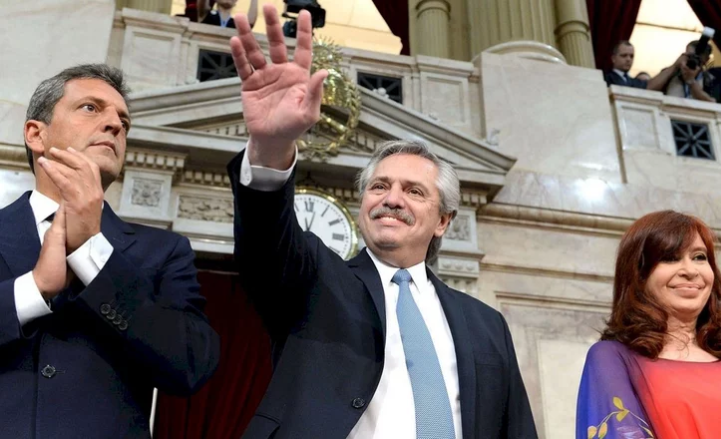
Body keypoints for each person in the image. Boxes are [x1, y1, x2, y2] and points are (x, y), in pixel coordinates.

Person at [226, 6, 538, 438]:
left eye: (413, 191)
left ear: (443, 221)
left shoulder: (487, 325)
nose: (391, 199)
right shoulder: (315, 280)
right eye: (379, 186)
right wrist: (271, 147)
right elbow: (265, 241)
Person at [0, 64, 220, 437]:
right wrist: (34, 290)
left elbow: (191, 363)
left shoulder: (165, 251)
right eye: (91, 108)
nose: (115, 125)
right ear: (36, 134)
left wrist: (94, 256)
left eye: (124, 121)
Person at [576, 210, 721, 438]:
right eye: (670, 258)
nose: (690, 271)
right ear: (639, 275)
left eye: (699, 257)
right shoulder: (613, 358)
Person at [603, 41, 674, 92]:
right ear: (613, 58)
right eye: (624, 55)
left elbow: (649, 86)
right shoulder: (605, 78)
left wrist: (673, 67)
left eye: (631, 56)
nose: (628, 59)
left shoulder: (634, 81)